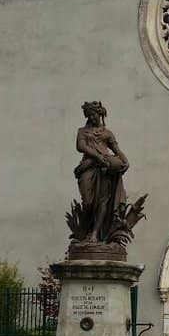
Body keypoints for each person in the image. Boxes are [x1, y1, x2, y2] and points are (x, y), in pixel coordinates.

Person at [74, 101, 129, 241]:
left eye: (93, 115)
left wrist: (125, 160)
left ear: (100, 114)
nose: (91, 118)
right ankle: (83, 232)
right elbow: (81, 147)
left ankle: (95, 234)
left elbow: (117, 150)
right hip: (89, 166)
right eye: (89, 116)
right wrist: (96, 156)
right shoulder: (82, 131)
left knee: (103, 201)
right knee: (87, 202)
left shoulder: (108, 133)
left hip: (105, 168)